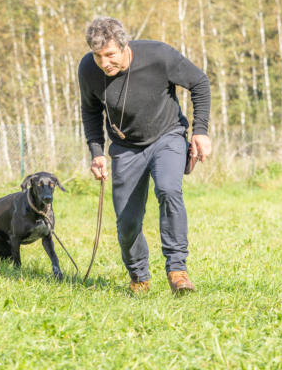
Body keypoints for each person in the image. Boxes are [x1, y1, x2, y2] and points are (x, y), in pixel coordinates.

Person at [78, 17, 212, 293]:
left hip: (167, 136)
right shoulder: (88, 69)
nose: (104, 63)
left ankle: (178, 271)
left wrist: (200, 131)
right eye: (98, 56)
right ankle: (139, 276)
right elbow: (90, 111)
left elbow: (199, 83)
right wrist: (96, 152)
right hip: (126, 148)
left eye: (110, 55)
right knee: (127, 222)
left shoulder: (158, 56)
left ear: (124, 46)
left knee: (168, 189)